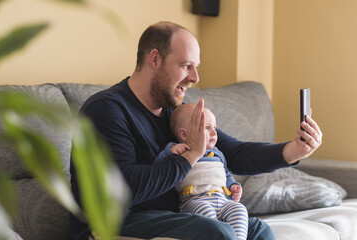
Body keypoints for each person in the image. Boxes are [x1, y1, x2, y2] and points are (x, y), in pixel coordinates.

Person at [69, 21, 323, 240]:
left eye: (195, 66)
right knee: (217, 233)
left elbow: (232, 151)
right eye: (186, 66)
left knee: (258, 231)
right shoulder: (107, 110)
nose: (195, 78)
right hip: (114, 223)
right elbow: (125, 190)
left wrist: (291, 151)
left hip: (169, 215)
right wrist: (190, 156)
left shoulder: (174, 111)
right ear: (155, 60)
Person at [156, 103, 249, 239]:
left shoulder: (217, 154)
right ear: (183, 134)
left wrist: (233, 185)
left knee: (239, 209)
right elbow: (159, 170)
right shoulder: (178, 150)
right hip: (194, 201)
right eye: (206, 127)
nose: (214, 132)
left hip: (222, 199)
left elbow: (226, 174)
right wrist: (169, 152)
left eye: (214, 128)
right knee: (206, 216)